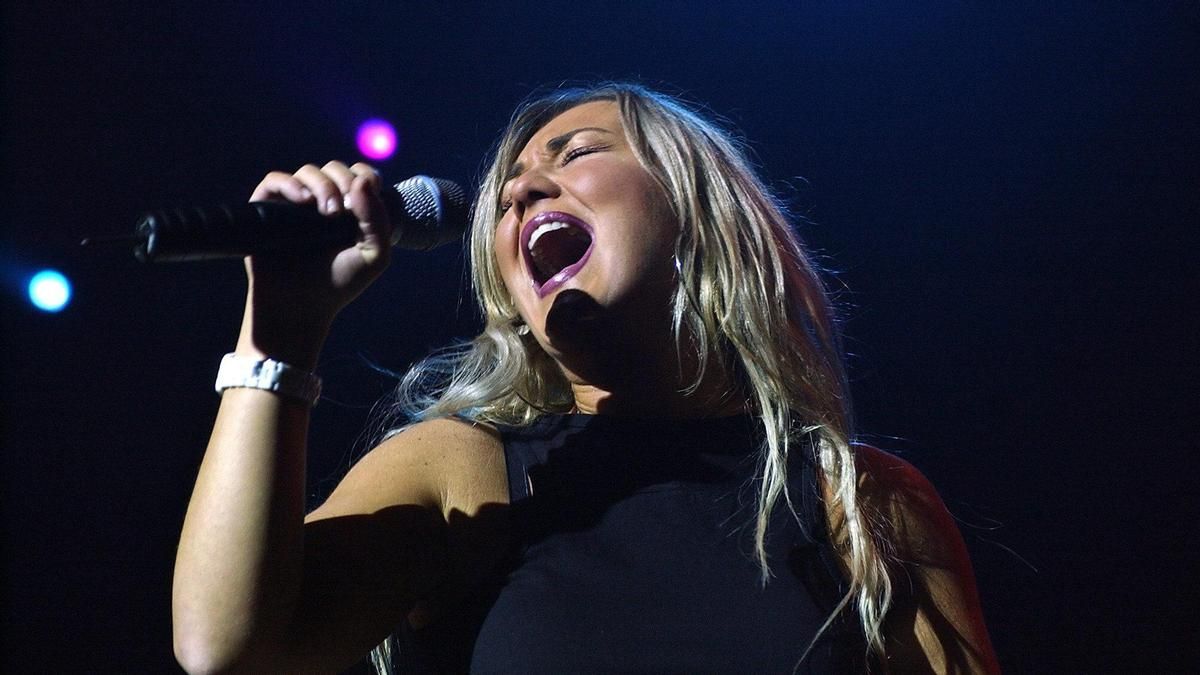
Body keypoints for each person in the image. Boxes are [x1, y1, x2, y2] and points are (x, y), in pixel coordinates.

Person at [172, 83, 999, 674]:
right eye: (506, 196)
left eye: (577, 153)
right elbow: (227, 646)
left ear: (697, 206)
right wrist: (280, 333)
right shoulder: (463, 468)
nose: (520, 188)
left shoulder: (857, 502)